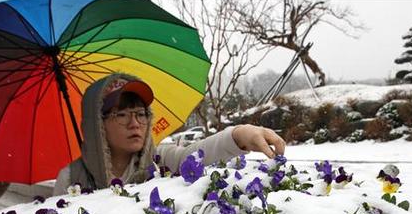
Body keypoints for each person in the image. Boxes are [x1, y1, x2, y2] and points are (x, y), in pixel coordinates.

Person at [53, 73, 286, 195]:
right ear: (98, 125)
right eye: (121, 114)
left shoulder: (159, 160)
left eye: (141, 113)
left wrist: (240, 134)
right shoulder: (72, 177)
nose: (135, 123)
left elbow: (195, 155)